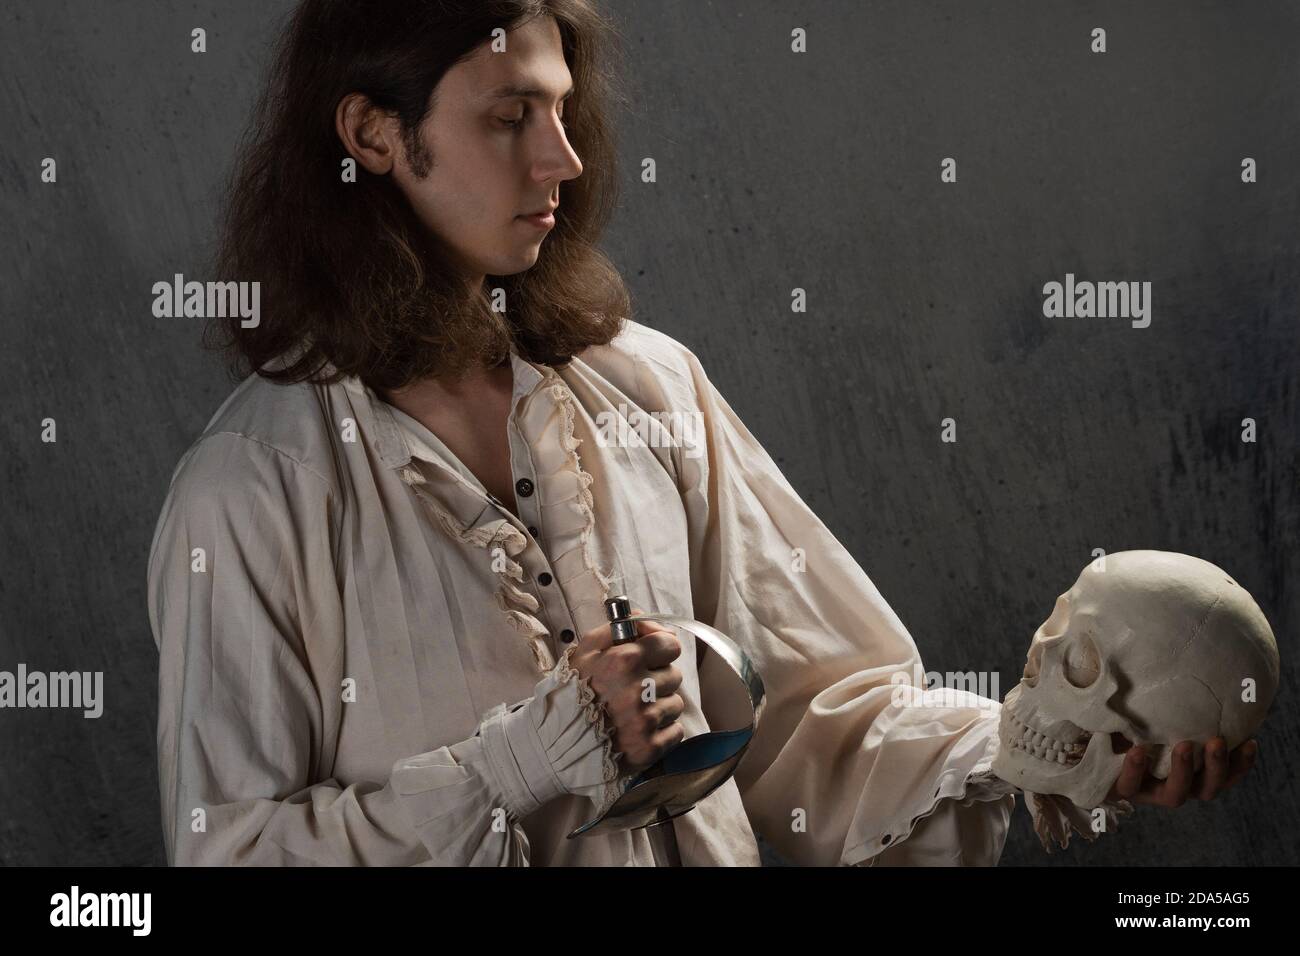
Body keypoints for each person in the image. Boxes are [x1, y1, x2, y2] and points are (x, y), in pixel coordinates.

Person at [146, 0, 1256, 866]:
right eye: (507, 117)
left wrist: (1025, 746)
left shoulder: (646, 384)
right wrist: (516, 760)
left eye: (560, 108)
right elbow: (227, 847)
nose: (563, 159)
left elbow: (818, 715)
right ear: (372, 132)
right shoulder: (253, 493)